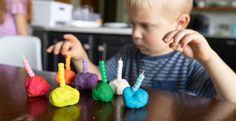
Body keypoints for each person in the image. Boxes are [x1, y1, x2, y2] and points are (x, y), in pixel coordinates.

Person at [47, 0, 236, 102]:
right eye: (132, 24)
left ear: (180, 23)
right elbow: (101, 81)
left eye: (146, 26)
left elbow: (232, 98)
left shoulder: (190, 62)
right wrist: (81, 58)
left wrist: (208, 59)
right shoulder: (128, 54)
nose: (135, 34)